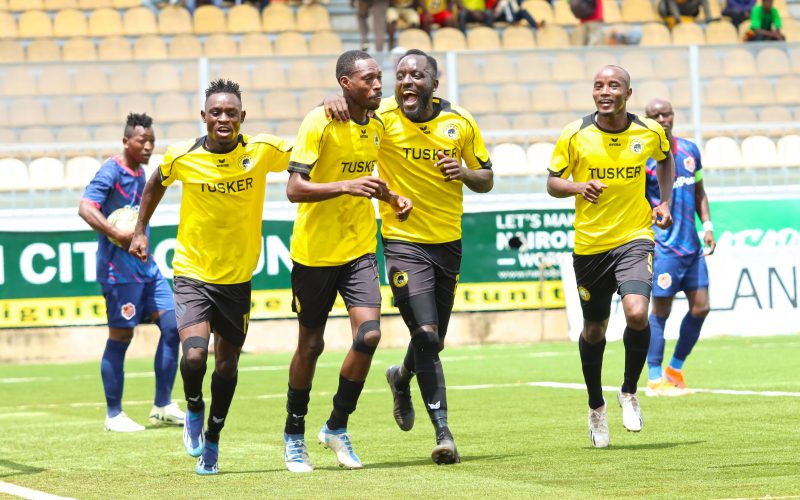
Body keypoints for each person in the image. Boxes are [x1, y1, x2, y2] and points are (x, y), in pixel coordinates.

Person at [325, 48, 494, 464]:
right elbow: (344, 110)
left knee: (431, 337)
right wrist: (327, 101)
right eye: (400, 75)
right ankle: (444, 433)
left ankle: (401, 378)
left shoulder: (460, 122)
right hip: (402, 241)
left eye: (417, 76)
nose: (406, 82)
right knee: (426, 335)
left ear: (434, 84)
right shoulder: (381, 116)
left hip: (448, 242)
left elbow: (487, 178)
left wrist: (464, 172)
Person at [130, 79, 292, 475]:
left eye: (231, 113)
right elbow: (155, 184)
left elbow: (311, 150)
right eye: (215, 112)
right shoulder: (181, 155)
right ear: (203, 117)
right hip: (192, 272)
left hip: (237, 279)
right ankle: (194, 408)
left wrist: (330, 105)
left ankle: (214, 441)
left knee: (227, 367)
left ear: (242, 117)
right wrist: (139, 230)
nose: (223, 118)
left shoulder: (262, 151)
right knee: (196, 354)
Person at [282, 50, 412, 473]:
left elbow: (367, 179)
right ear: (345, 84)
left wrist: (391, 197)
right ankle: (293, 434)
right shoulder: (318, 121)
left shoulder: (375, 123)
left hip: (358, 249)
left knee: (370, 336)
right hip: (314, 254)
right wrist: (345, 186)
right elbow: (295, 190)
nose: (378, 86)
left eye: (379, 78)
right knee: (311, 346)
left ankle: (336, 426)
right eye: (369, 80)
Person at [546, 65, 675, 448]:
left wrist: (663, 200)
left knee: (637, 313)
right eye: (599, 85)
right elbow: (552, 182)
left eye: (613, 85)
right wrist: (578, 186)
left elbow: (666, 157)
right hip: (590, 247)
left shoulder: (648, 131)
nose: (605, 91)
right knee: (595, 329)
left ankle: (629, 392)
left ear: (628, 94)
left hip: (635, 237)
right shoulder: (575, 134)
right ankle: (596, 407)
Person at [78, 113, 184, 433]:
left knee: (173, 326)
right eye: (142, 141)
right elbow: (85, 207)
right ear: (127, 142)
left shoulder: (142, 174)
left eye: (152, 140)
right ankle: (113, 415)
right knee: (121, 336)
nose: (149, 146)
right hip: (118, 271)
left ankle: (162, 405)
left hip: (147, 268)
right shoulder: (112, 171)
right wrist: (118, 233)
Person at [643, 99, 714, 397]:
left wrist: (707, 225)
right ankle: (654, 378)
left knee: (701, 307)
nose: (662, 118)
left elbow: (699, 191)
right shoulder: (643, 158)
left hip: (692, 246)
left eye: (667, 113)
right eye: (656, 115)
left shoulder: (689, 151)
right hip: (663, 248)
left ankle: (675, 369)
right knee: (661, 311)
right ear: (647, 119)